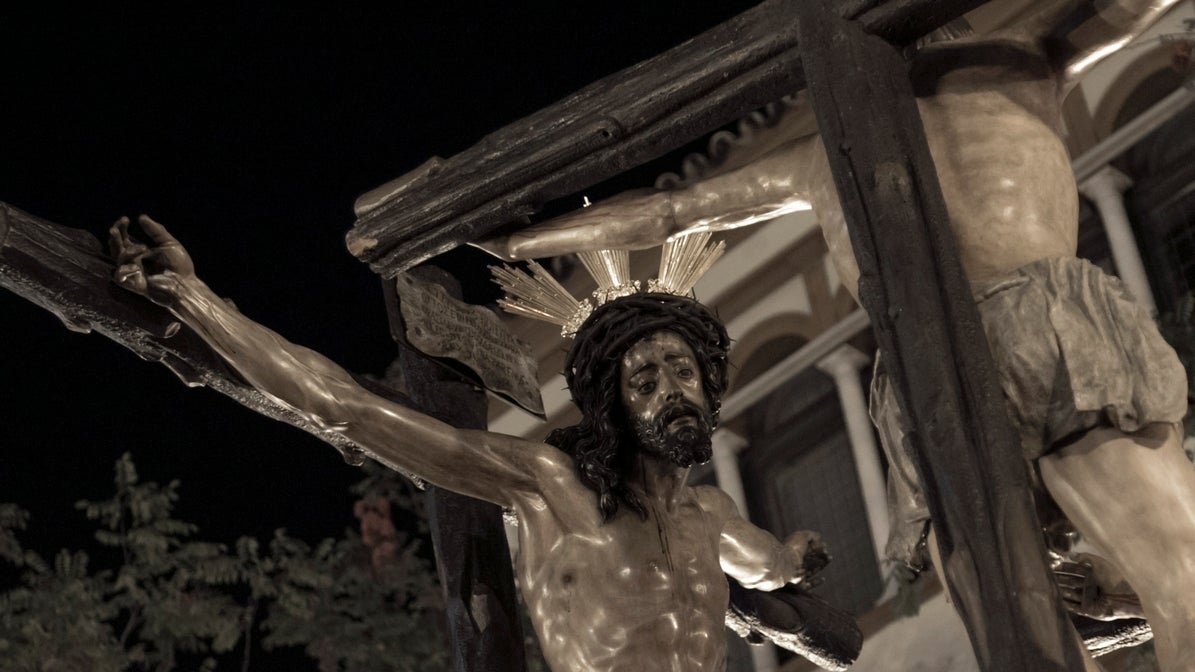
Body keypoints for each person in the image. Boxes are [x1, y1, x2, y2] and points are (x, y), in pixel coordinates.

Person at [475, 1, 1195, 670]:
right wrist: (518, 242)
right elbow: (669, 212)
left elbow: (667, 213)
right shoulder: (842, 145)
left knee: (1171, 573)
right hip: (931, 374)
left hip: (1025, 332)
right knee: (1027, 613)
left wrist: (524, 240)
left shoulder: (1012, 60)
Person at [108, 215, 830, 672]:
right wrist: (193, 300)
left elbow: (769, 567)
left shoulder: (711, 516)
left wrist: (798, 555)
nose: (670, 389)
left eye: (682, 371)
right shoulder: (550, 488)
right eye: (643, 378)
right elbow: (343, 408)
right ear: (611, 404)